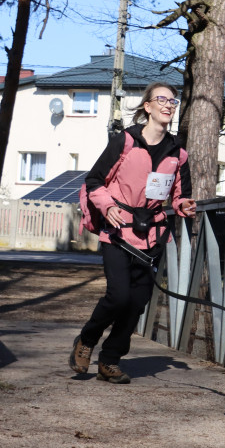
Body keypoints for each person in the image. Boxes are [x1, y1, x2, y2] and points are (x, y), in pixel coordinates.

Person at [67, 82, 197, 384]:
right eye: (161, 99)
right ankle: (86, 340)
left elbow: (180, 196)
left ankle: (110, 360)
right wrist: (107, 206)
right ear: (148, 107)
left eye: (173, 101)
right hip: (118, 232)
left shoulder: (178, 153)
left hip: (152, 235)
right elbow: (94, 180)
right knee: (118, 296)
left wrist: (184, 205)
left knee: (137, 303)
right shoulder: (124, 141)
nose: (168, 105)